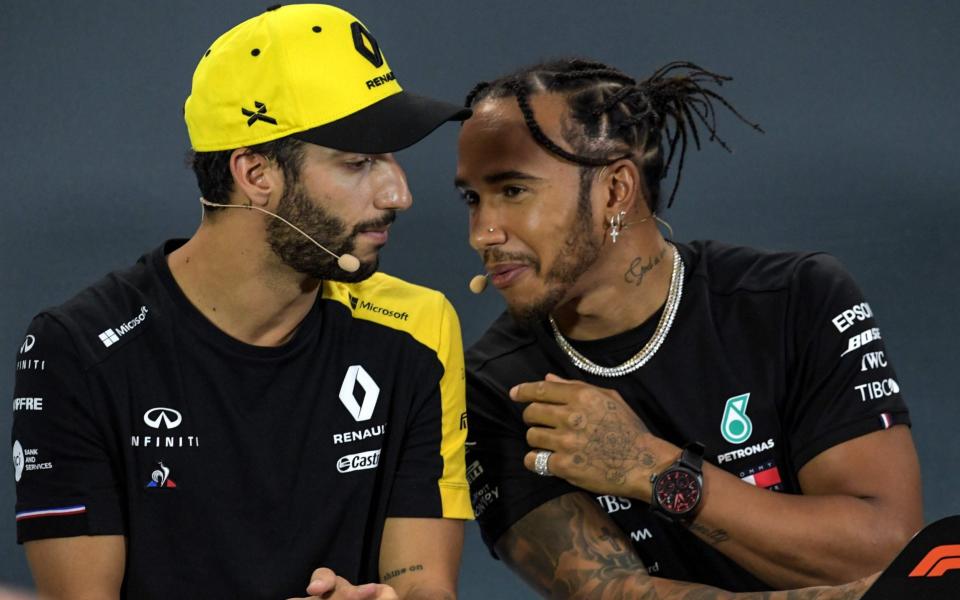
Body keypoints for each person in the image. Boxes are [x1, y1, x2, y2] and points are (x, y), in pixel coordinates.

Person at [11, 5, 473, 599]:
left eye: (391, 159)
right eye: (360, 162)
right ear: (256, 174)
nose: (399, 193)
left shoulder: (418, 328)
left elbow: (422, 585)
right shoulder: (76, 349)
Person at [457, 58, 922, 597]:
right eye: (472, 199)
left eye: (512, 190)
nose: (482, 234)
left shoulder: (795, 299)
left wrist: (651, 468)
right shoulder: (493, 388)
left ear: (615, 189)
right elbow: (617, 595)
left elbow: (889, 550)